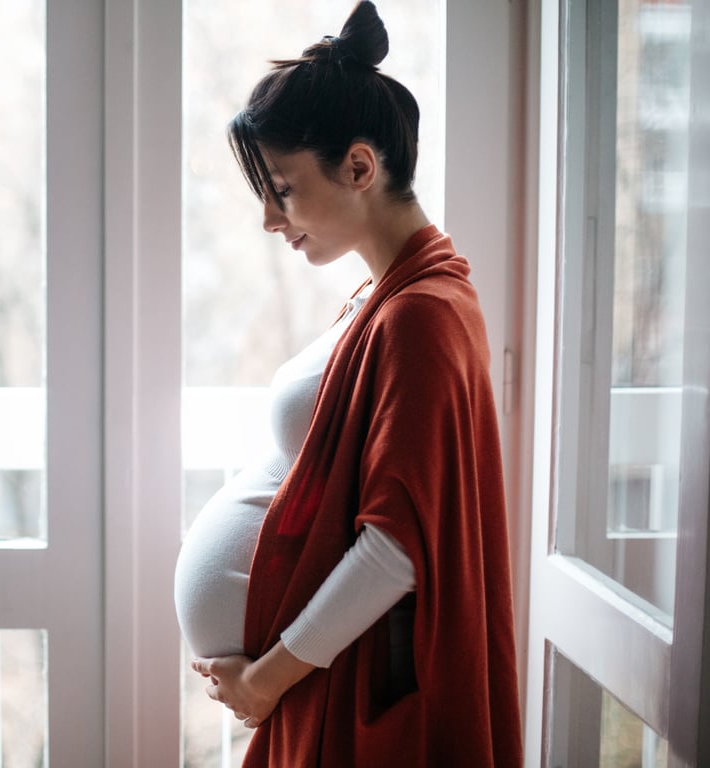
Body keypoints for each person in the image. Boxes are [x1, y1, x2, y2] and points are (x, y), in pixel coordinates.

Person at [172, 2, 523, 765]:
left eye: (285, 190)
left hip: (349, 689)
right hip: (324, 678)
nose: (269, 217)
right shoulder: (384, 294)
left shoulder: (422, 314)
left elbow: (399, 545)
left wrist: (266, 678)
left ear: (360, 167)